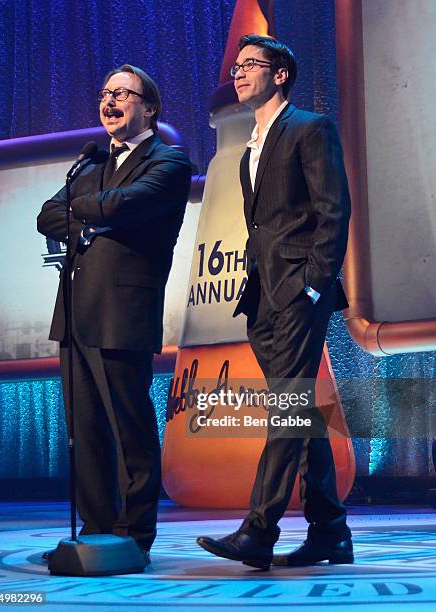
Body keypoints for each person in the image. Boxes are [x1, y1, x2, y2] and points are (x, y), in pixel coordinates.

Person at [197, 34, 352, 570]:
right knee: (302, 412)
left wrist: (314, 285)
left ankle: (258, 531)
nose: (238, 74)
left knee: (286, 411)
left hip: (299, 295)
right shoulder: (248, 148)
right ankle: (331, 531)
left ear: (279, 74)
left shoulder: (311, 128)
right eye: (236, 67)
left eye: (251, 65)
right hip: (262, 299)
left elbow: (334, 211)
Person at [37, 64, 192, 566]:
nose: (110, 101)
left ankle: (134, 533)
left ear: (149, 107)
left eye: (123, 93)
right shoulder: (89, 164)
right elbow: (46, 215)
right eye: (105, 93)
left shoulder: (168, 161)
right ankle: (97, 528)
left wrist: (85, 210)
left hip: (124, 309)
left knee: (130, 427)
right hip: (76, 313)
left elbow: (125, 204)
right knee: (83, 428)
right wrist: (93, 208)